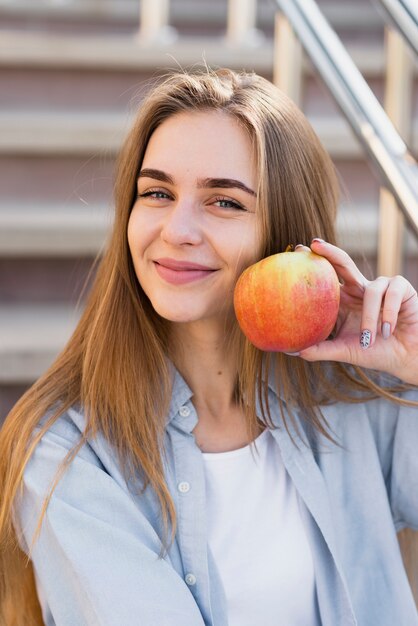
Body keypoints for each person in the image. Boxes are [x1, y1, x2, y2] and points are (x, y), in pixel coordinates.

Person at [0, 67, 417, 626]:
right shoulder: (67, 453)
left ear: (285, 237)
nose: (177, 229)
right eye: (157, 193)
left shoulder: (353, 402)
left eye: (224, 202)